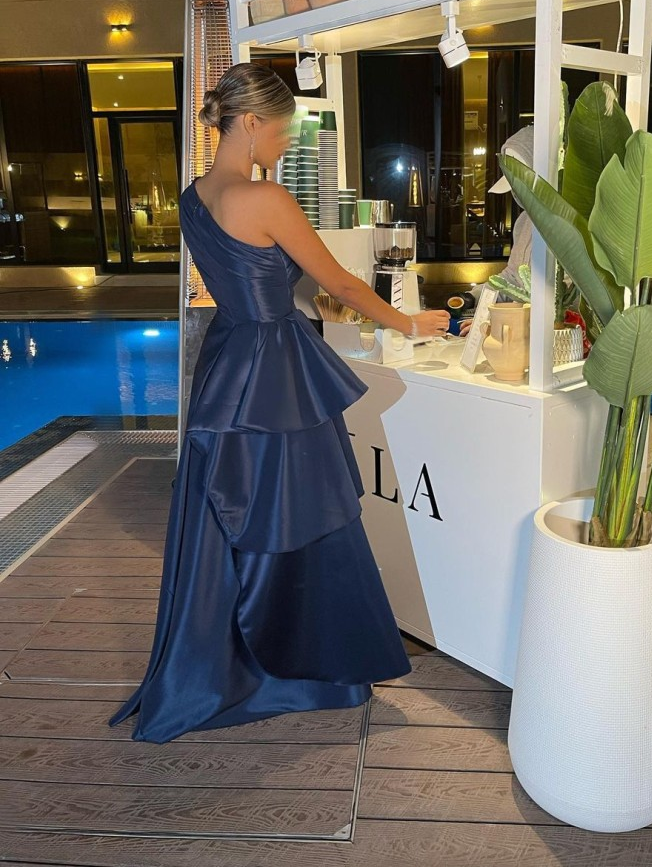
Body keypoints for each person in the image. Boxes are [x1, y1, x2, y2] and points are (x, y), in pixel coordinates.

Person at [109, 62, 451, 743]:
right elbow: (344, 285)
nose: (287, 143)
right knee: (297, 509)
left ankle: (223, 662)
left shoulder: (194, 196)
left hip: (228, 361)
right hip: (273, 372)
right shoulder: (266, 198)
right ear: (251, 122)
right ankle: (301, 665)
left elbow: (248, 279)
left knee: (233, 510)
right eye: (284, 130)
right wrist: (412, 322)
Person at [458, 125, 534, 336]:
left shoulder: (569, 226)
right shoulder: (525, 222)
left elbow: (564, 298)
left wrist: (499, 321)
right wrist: (473, 297)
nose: (516, 193)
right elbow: (511, 279)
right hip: (519, 333)